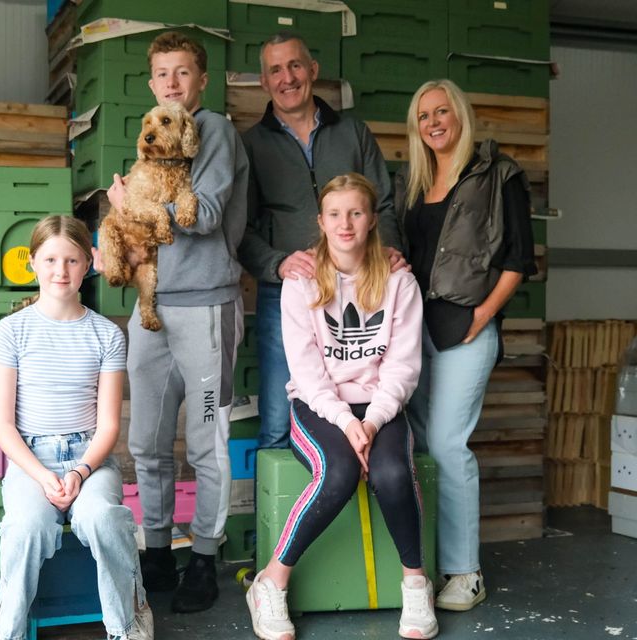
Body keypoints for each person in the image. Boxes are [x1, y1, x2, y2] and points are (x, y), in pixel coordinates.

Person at [245, 173, 435, 640]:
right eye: (335, 214)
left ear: (372, 219)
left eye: (355, 212)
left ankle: (416, 583)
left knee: (392, 472)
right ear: (321, 221)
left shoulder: (398, 281)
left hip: (381, 406)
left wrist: (370, 422)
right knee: (339, 473)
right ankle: (270, 581)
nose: (345, 224)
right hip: (320, 405)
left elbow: (403, 367)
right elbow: (307, 372)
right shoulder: (302, 282)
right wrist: (345, 421)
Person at [105, 31, 249, 614]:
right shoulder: (151, 139)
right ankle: (159, 548)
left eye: (183, 72)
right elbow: (135, 223)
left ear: (202, 81)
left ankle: (205, 559)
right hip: (152, 308)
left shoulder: (213, 129)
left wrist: (130, 208)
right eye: (163, 73)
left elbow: (206, 213)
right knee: (147, 442)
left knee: (208, 438)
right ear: (151, 83)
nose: (172, 82)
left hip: (206, 307)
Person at [0, 217, 153, 640]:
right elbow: (2, 423)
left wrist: (79, 472)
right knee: (26, 526)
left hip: (90, 458)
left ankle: (129, 618)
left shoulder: (107, 334)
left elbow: (109, 424)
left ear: (88, 264)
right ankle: (6, 625)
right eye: (50, 259)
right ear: (32, 262)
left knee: (103, 518)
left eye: (72, 260)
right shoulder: (10, 332)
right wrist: (42, 475)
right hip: (31, 460)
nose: (61, 270)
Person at [396, 79, 537, 612]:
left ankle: (465, 571)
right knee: (417, 444)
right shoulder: (412, 180)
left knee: (449, 444)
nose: (433, 122)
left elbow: (519, 259)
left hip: (465, 330)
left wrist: (481, 317)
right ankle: (422, 566)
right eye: (423, 115)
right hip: (414, 331)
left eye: (442, 111)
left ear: (461, 114)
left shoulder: (499, 174)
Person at [238, 32, 406, 452]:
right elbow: (239, 227)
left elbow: (383, 203)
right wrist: (276, 263)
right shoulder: (251, 145)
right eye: (275, 69)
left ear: (312, 71)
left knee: (372, 413)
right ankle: (284, 519)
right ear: (264, 82)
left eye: (295, 65)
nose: (287, 77)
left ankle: (354, 511)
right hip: (291, 296)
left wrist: (388, 252)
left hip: (364, 289)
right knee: (279, 420)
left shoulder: (353, 132)